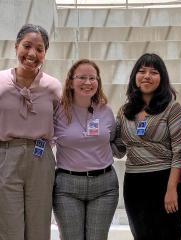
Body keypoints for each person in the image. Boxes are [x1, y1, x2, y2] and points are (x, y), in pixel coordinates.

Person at [113, 53, 181, 240]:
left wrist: (171, 189)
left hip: (165, 180)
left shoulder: (172, 108)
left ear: (161, 79)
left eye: (153, 72)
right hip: (134, 183)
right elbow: (120, 148)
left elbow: (180, 151)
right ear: (134, 77)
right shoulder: (125, 110)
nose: (147, 76)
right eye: (142, 71)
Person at [0, 24, 62, 240]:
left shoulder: (53, 87)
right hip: (6, 156)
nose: (32, 54)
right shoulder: (0, 82)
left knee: (39, 225)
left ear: (45, 53)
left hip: (41, 157)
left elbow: (63, 122)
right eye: (27, 46)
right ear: (16, 46)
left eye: (39, 49)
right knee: (8, 226)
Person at [53, 59, 119, 240]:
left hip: (104, 185)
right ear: (71, 82)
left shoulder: (105, 110)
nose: (88, 82)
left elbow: (112, 140)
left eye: (92, 78)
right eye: (82, 77)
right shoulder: (58, 111)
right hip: (67, 186)